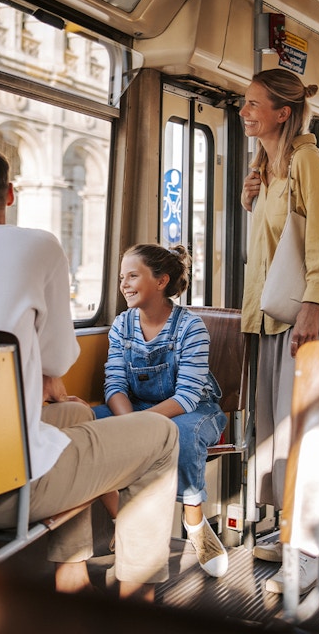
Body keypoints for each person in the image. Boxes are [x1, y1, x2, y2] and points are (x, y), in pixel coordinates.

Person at [0, 144, 180, 601]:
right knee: (161, 435)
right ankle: (137, 599)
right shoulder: (40, 245)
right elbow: (57, 360)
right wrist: (45, 372)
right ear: (10, 194)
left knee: (79, 417)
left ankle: (69, 574)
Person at [239, 68, 319, 595]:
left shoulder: (309, 164)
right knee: (273, 435)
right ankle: (287, 531)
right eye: (244, 103)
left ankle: (306, 550)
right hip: (266, 320)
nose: (245, 112)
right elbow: (271, 247)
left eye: (254, 104)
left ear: (283, 112)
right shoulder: (269, 171)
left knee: (301, 435)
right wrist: (250, 199)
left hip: (298, 322)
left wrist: (311, 309)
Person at [90, 243, 229, 579]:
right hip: (137, 408)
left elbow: (187, 396)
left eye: (133, 275)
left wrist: (140, 424)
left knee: (179, 433)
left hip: (193, 410)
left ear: (162, 281)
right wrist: (130, 422)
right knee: (91, 425)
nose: (123, 284)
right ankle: (121, 519)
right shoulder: (122, 325)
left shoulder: (190, 327)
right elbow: (115, 385)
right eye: (121, 277)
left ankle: (195, 522)